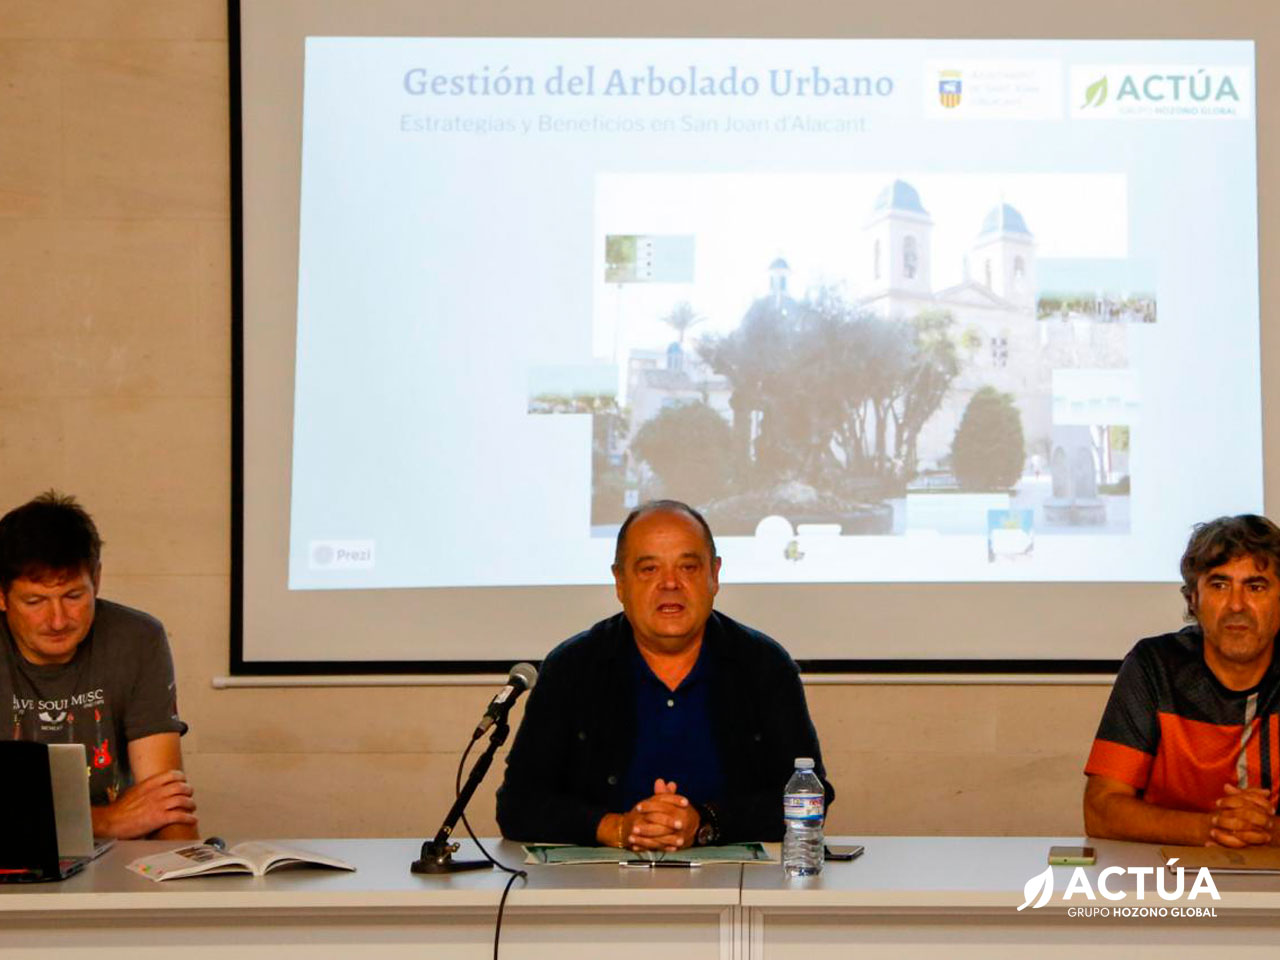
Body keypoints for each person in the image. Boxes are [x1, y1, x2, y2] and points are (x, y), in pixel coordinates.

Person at [496, 499, 832, 851]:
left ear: (714, 575)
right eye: (649, 569)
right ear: (620, 582)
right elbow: (517, 804)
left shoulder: (763, 665)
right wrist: (617, 828)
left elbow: (810, 797)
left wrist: (705, 822)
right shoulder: (572, 667)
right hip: (599, 879)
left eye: (688, 567)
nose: (670, 583)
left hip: (735, 878)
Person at [0, 492, 198, 840]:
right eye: (35, 601)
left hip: (118, 857)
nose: (58, 620)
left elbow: (165, 804)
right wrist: (104, 821)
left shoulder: (138, 638)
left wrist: (186, 868)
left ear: (97, 580)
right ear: (1, 596)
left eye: (74, 596)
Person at [1084, 514, 1280, 847]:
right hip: (1168, 869)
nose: (1236, 605)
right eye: (1219, 585)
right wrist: (1212, 828)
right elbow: (1100, 810)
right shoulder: (1155, 665)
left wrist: (1266, 831)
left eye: (1255, 587)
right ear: (1193, 600)